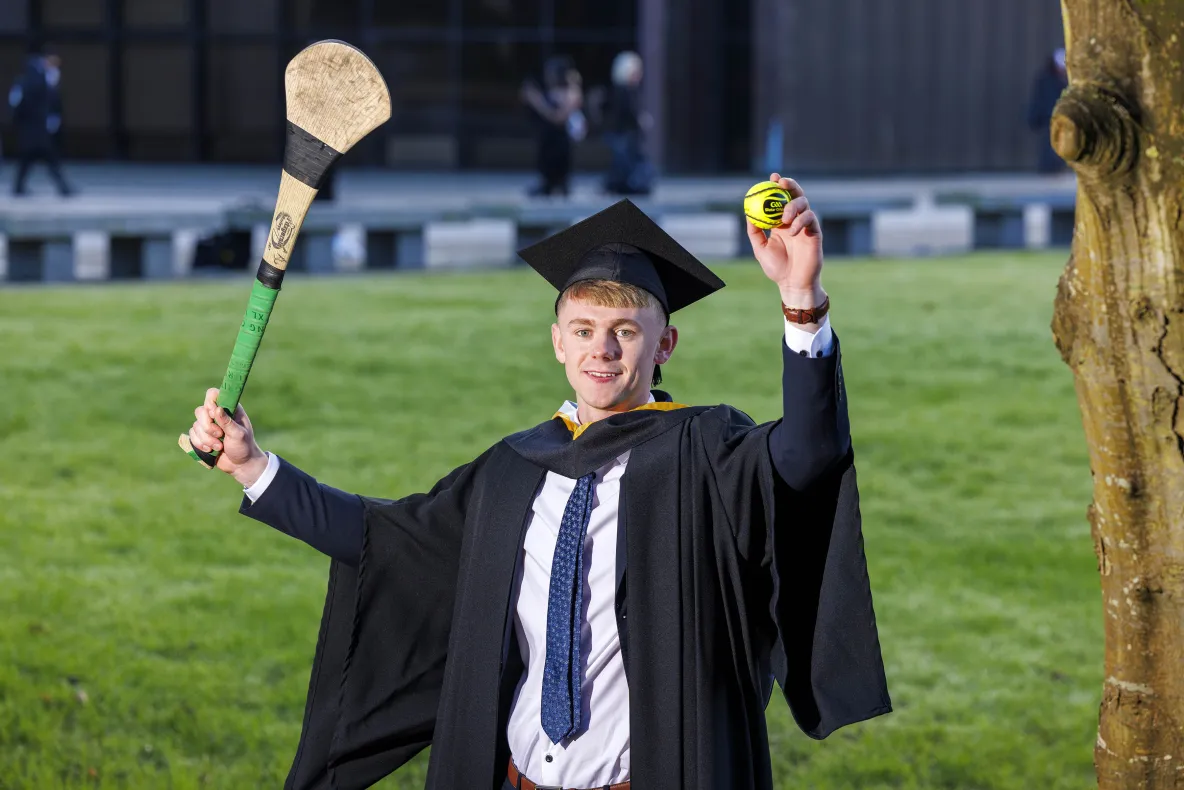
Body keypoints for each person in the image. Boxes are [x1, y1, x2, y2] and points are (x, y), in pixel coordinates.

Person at [185, 176, 891, 790]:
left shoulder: (706, 452)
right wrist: (252, 466)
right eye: (582, 330)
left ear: (665, 344)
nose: (602, 350)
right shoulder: (515, 469)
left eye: (625, 330)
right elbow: (387, 540)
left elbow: (806, 454)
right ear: (557, 342)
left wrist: (802, 297)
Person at [8, 48, 74, 197]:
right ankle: (63, 188)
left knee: (28, 160)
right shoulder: (39, 83)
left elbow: (15, 104)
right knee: (49, 159)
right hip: (38, 130)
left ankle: (19, 187)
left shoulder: (23, 83)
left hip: (30, 130)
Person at [521, 56, 583, 198]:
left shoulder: (570, 91)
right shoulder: (551, 91)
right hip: (548, 138)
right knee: (546, 161)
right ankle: (547, 184)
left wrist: (537, 101)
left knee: (559, 163)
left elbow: (559, 117)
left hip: (560, 140)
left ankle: (559, 184)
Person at [602, 51, 653, 196]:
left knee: (627, 162)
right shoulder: (622, 90)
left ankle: (622, 185)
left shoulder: (630, 90)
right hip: (623, 133)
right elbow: (626, 112)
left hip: (628, 134)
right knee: (624, 163)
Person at [1027, 47, 1070, 174]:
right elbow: (1040, 99)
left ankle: (1059, 168)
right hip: (1049, 117)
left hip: (1063, 117)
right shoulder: (1045, 79)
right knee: (1050, 143)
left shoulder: (1066, 81)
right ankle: (1048, 169)